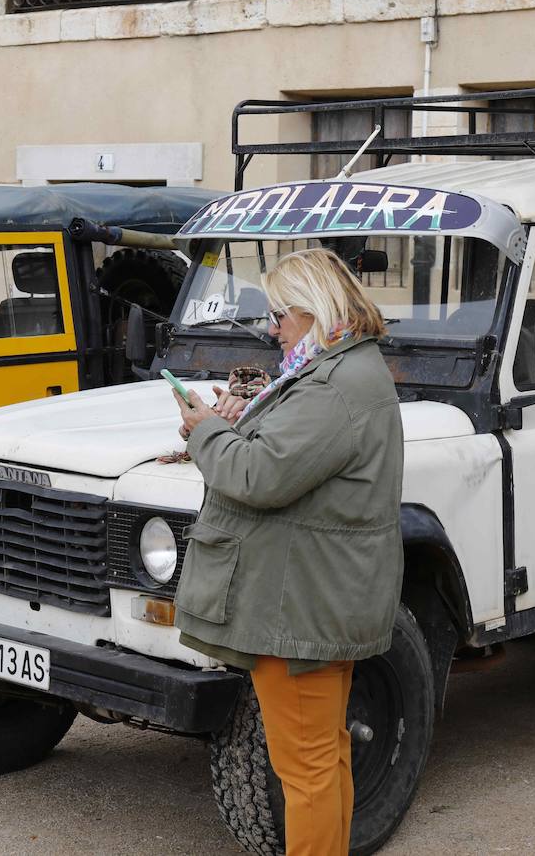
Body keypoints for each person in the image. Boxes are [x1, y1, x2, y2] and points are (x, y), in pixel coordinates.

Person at [172, 247, 404, 856]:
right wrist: (229, 425)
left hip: (298, 606)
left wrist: (206, 432)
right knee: (325, 759)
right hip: (316, 597)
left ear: (314, 310)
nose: (272, 330)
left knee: (305, 772)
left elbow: (256, 476)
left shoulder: (335, 385)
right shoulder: (341, 370)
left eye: (279, 315)